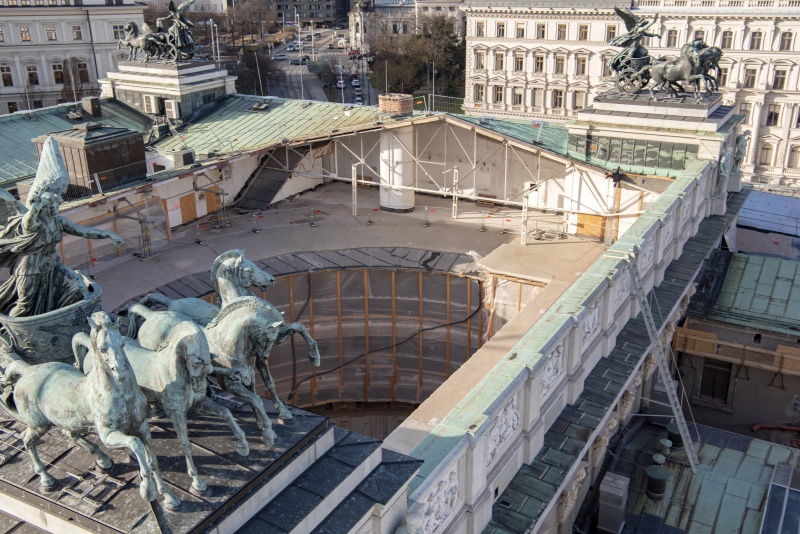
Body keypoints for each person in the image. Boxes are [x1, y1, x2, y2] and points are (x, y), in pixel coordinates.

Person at [0, 137, 123, 317]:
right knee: (25, 305)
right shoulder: (33, 222)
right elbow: (28, 222)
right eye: (51, 206)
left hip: (53, 263)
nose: (55, 209)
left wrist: (109, 234)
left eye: (57, 205)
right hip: (30, 269)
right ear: (42, 206)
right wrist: (35, 207)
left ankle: (69, 318)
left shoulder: (58, 221)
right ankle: (12, 328)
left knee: (78, 286)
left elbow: (82, 230)